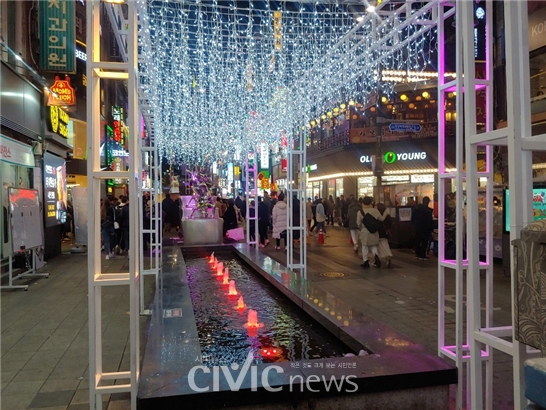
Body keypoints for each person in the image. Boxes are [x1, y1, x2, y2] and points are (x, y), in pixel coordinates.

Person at [356, 196, 387, 268]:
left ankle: (366, 261)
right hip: (374, 231)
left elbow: (358, 223)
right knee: (373, 246)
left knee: (365, 246)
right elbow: (381, 219)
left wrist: (361, 228)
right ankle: (376, 258)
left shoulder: (360, 212)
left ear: (363, 203)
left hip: (365, 231)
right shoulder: (375, 211)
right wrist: (385, 213)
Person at [412, 196, 433, 260]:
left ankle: (417, 254)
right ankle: (422, 255)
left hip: (417, 226)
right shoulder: (428, 211)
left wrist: (414, 224)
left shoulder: (416, 208)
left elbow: (412, 218)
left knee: (417, 240)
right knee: (424, 241)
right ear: (428, 202)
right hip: (425, 228)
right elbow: (429, 221)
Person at [376, 202, 393, 268]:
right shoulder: (387, 215)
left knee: (378, 246)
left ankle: (378, 259)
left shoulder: (377, 215)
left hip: (378, 232)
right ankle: (388, 256)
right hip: (385, 233)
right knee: (385, 245)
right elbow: (390, 224)